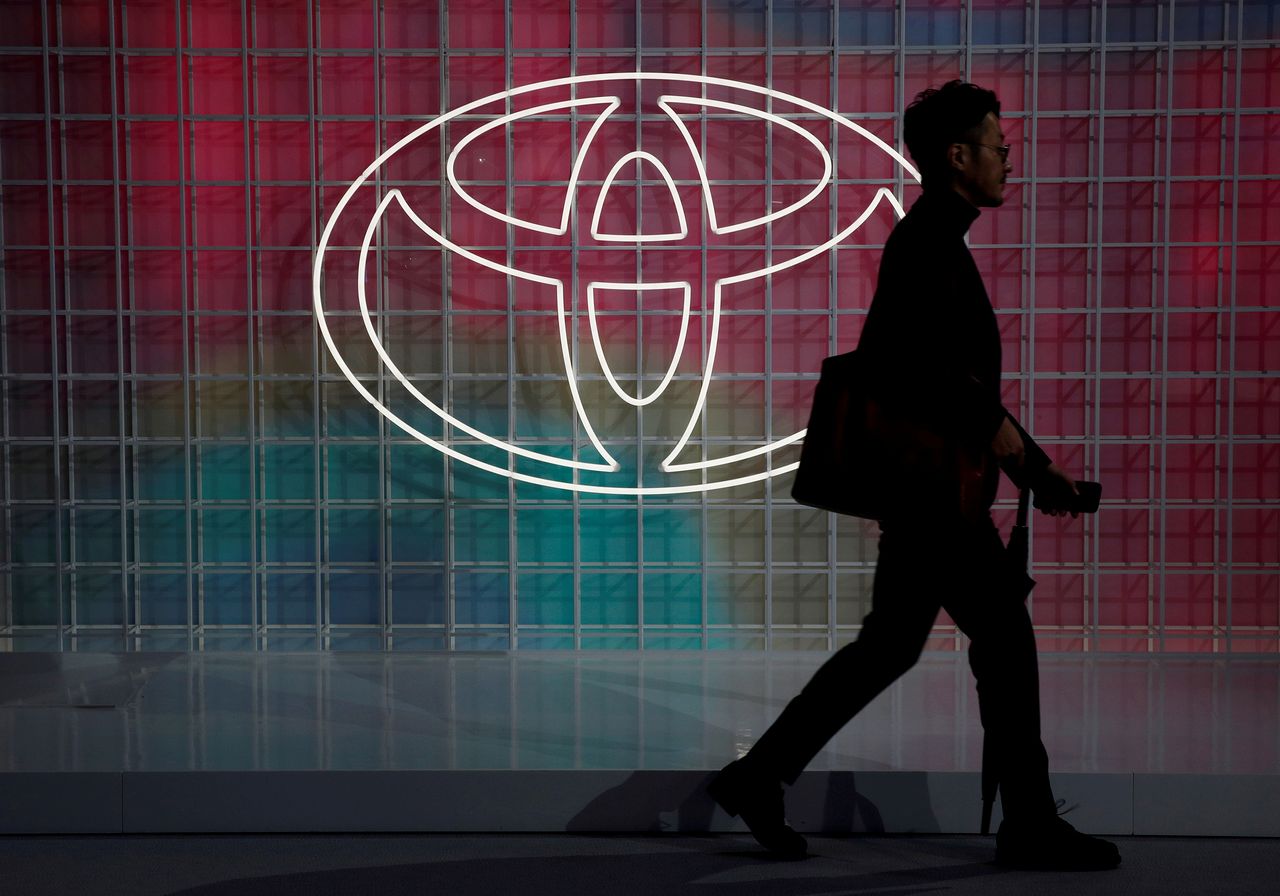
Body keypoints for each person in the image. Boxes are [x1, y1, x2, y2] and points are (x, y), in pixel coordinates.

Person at [707, 81, 1120, 871]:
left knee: (893, 646)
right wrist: (1030, 464)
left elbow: (954, 385)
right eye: (1000, 148)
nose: (1009, 161)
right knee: (1000, 642)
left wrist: (1034, 467)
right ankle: (1028, 823)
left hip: (933, 496)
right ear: (958, 156)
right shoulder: (928, 241)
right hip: (939, 501)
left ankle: (757, 776)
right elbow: (934, 381)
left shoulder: (932, 238)